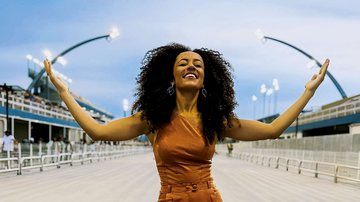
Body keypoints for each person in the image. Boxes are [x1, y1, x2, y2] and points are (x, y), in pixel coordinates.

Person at [44, 43, 329, 202]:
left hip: (208, 198)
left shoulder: (215, 120)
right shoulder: (152, 120)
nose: (190, 65)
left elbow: (273, 130)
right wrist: (65, 93)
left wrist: (308, 91)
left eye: (197, 64)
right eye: (182, 63)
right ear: (172, 77)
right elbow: (97, 131)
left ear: (205, 78)